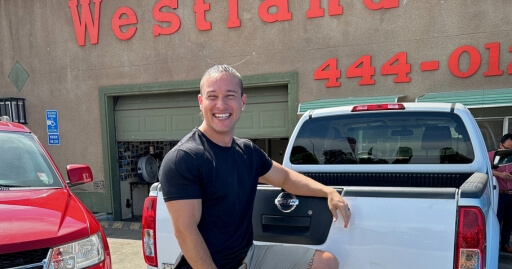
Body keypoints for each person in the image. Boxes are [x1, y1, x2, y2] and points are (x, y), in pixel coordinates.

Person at [159, 64, 351, 269]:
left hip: (247, 256)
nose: (221, 105)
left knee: (325, 263)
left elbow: (285, 178)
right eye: (212, 96)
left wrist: (328, 191)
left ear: (243, 101)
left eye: (230, 96)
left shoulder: (247, 152)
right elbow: (185, 231)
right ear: (201, 101)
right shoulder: (185, 158)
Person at [488, 133, 512, 253]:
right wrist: (499, 174)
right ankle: (494, 245)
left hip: (511, 194)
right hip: (498, 194)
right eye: (507, 149)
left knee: (509, 220)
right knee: (497, 220)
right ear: (500, 145)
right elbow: (485, 170)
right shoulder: (491, 156)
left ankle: (505, 244)